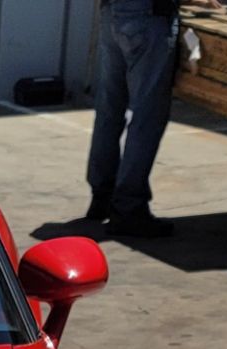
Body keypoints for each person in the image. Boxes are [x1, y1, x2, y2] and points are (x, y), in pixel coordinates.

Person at [86, 0, 218, 238]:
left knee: (110, 110)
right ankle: (128, 208)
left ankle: (102, 195)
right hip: (147, 18)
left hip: (112, 13)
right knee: (147, 116)